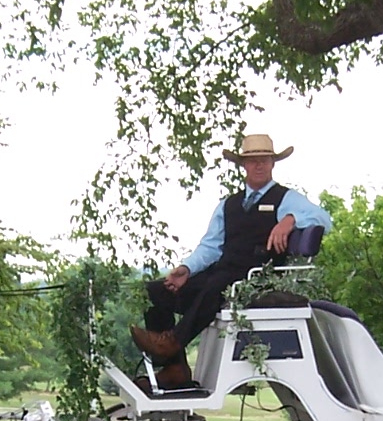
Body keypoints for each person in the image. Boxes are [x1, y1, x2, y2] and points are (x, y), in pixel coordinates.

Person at [130, 133, 332, 386]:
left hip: (258, 277)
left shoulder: (286, 198)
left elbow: (323, 218)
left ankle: (171, 342)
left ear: (272, 163)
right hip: (224, 273)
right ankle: (175, 369)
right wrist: (186, 268)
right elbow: (211, 246)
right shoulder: (229, 204)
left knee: (220, 284)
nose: (258, 165)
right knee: (158, 291)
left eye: (264, 159)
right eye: (252, 160)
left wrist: (291, 219)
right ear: (243, 166)